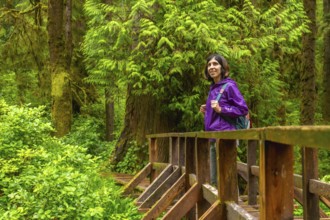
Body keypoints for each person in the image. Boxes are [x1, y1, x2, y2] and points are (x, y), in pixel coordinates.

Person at [199, 53, 248, 186]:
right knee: (214, 180)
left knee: (227, 178)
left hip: (226, 137)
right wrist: (207, 109)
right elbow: (218, 111)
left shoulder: (229, 86)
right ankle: (219, 206)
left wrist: (222, 110)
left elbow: (243, 109)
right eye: (209, 65)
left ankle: (234, 206)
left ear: (223, 68)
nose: (211, 67)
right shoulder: (213, 88)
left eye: (215, 64)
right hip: (213, 137)